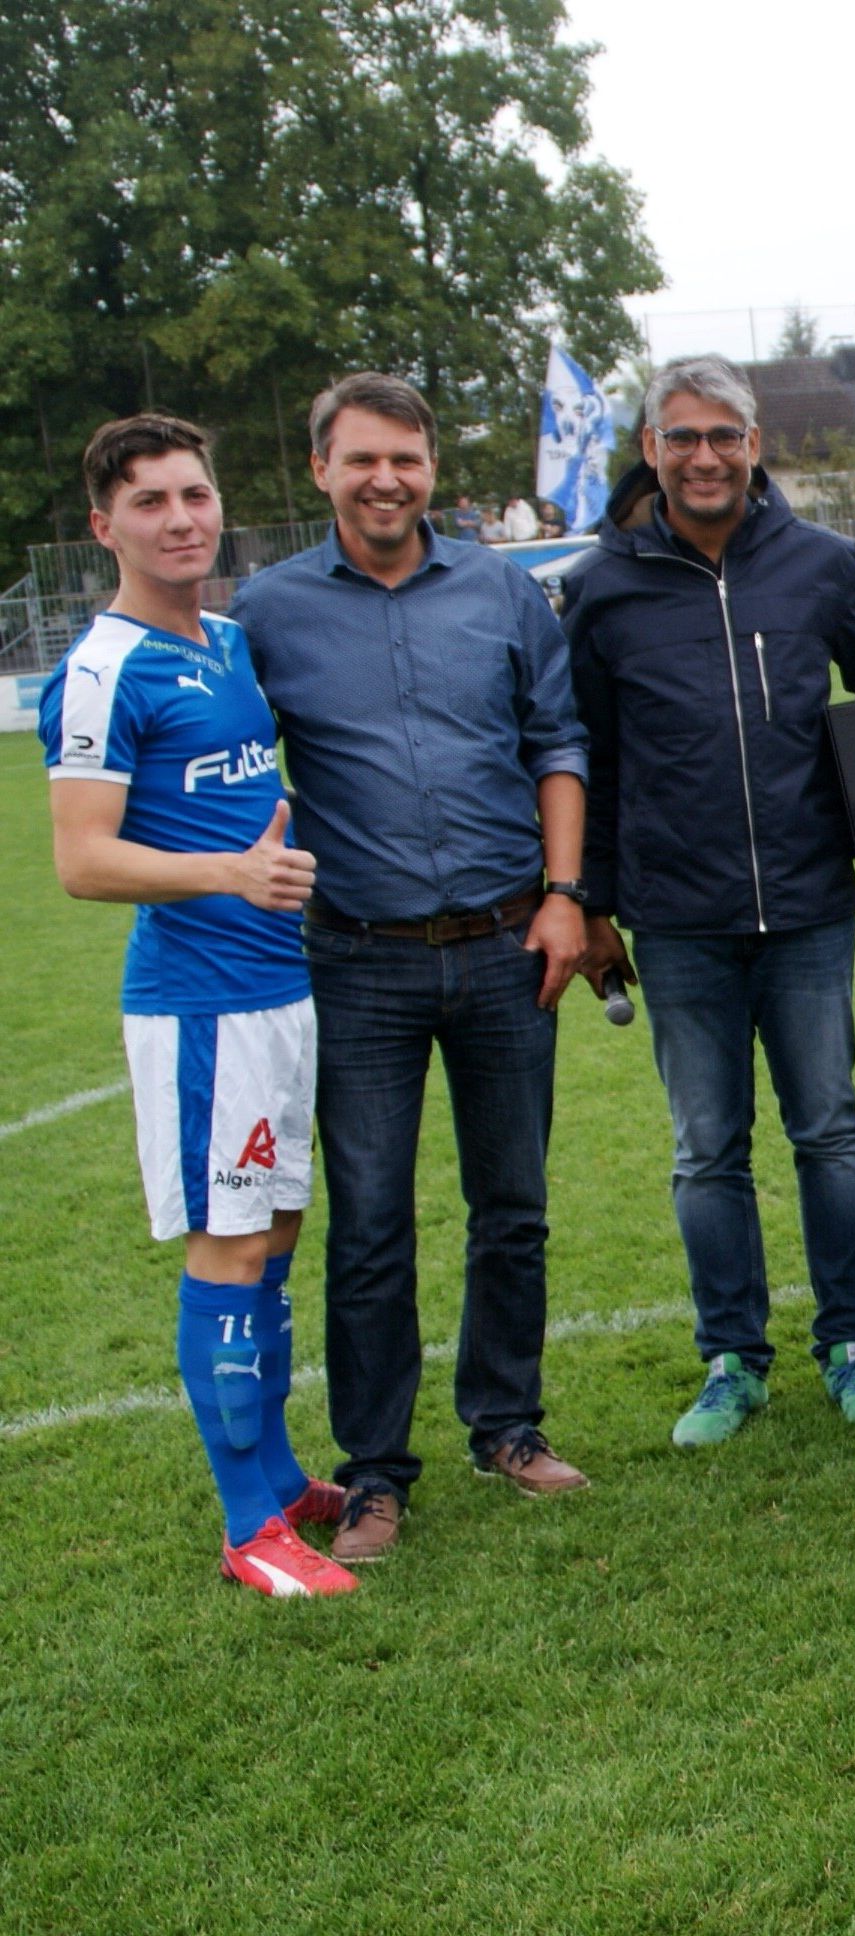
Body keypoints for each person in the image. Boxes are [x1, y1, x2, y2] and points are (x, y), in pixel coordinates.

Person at [230, 373, 593, 1564]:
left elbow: (558, 743)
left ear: (432, 468)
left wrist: (564, 898)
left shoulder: (500, 587)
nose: (386, 479)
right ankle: (375, 1472)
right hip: (354, 961)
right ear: (321, 468)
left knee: (514, 1208)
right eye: (362, 459)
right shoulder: (268, 611)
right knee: (372, 1223)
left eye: (407, 458)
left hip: (505, 947)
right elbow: (231, 767)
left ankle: (509, 1425)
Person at [564, 355, 855, 1447]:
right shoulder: (601, 587)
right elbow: (577, 754)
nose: (703, 457)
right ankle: (731, 1358)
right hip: (675, 914)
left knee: (829, 1132)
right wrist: (588, 900)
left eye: (722, 436)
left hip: (807, 902)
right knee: (706, 1147)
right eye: (681, 437)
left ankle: (849, 1338)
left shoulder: (819, 563)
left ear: (754, 443)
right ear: (651, 448)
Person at [39, 414, 354, 1597]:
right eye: (152, 502)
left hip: (280, 990)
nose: (182, 519)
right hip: (200, 1007)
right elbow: (83, 858)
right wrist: (230, 875)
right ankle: (245, 1530)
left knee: (273, 1241)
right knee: (226, 1249)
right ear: (103, 525)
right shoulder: (101, 667)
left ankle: (277, 1480)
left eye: (195, 494)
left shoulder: (227, 640)